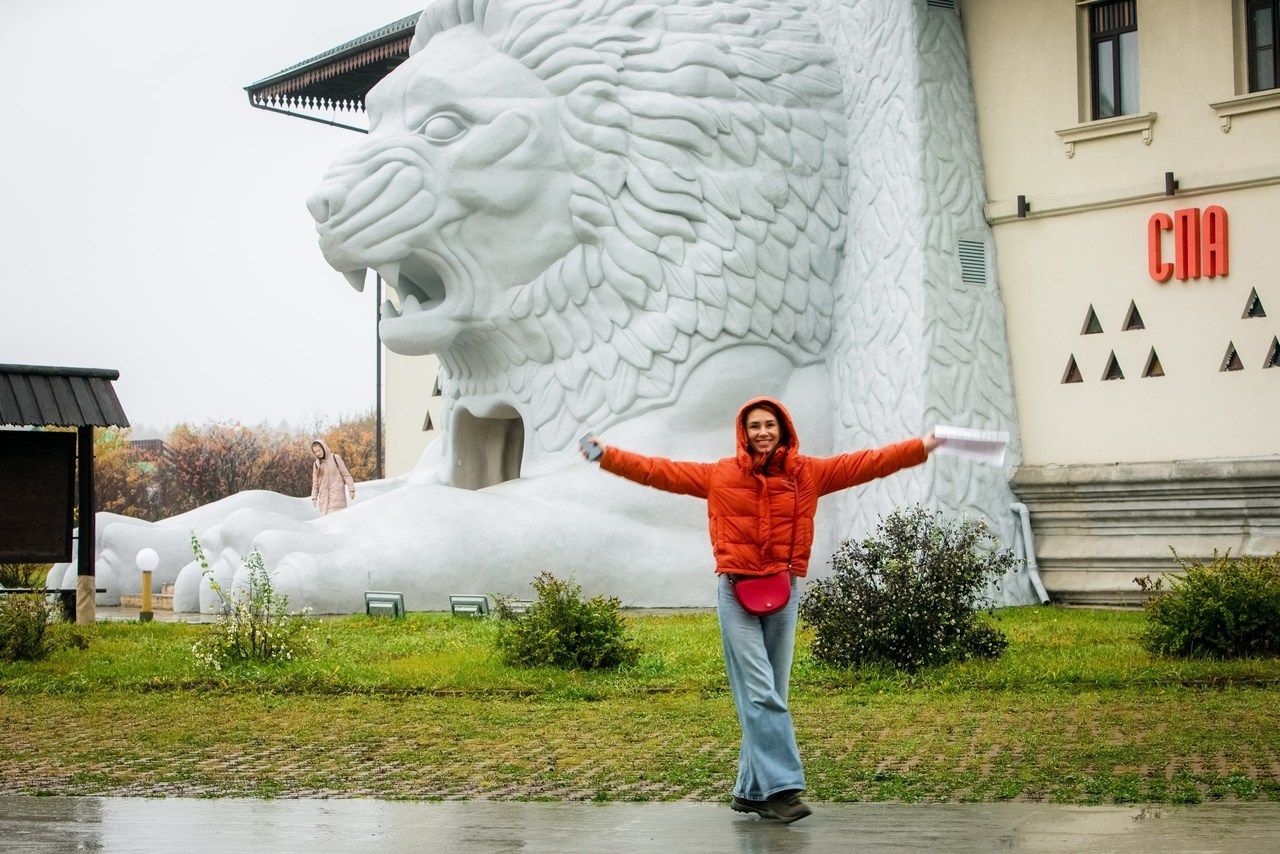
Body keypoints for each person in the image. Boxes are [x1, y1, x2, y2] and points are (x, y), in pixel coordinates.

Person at [581, 397, 936, 823]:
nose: (763, 432)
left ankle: (750, 792)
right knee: (759, 692)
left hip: (784, 590)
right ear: (743, 433)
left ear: (783, 429)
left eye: (770, 424)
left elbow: (870, 462)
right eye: (754, 426)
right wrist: (606, 455)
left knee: (771, 694)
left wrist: (922, 446)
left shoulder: (810, 474)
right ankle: (782, 790)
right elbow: (658, 471)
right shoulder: (721, 475)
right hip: (735, 592)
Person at [310, 439, 355, 515]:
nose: (318, 453)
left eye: (319, 450)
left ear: (323, 448)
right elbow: (315, 483)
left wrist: (351, 489)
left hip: (337, 497)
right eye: (315, 452)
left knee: (335, 520)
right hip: (323, 499)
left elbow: (346, 475)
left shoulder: (335, 458)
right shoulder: (316, 464)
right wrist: (314, 497)